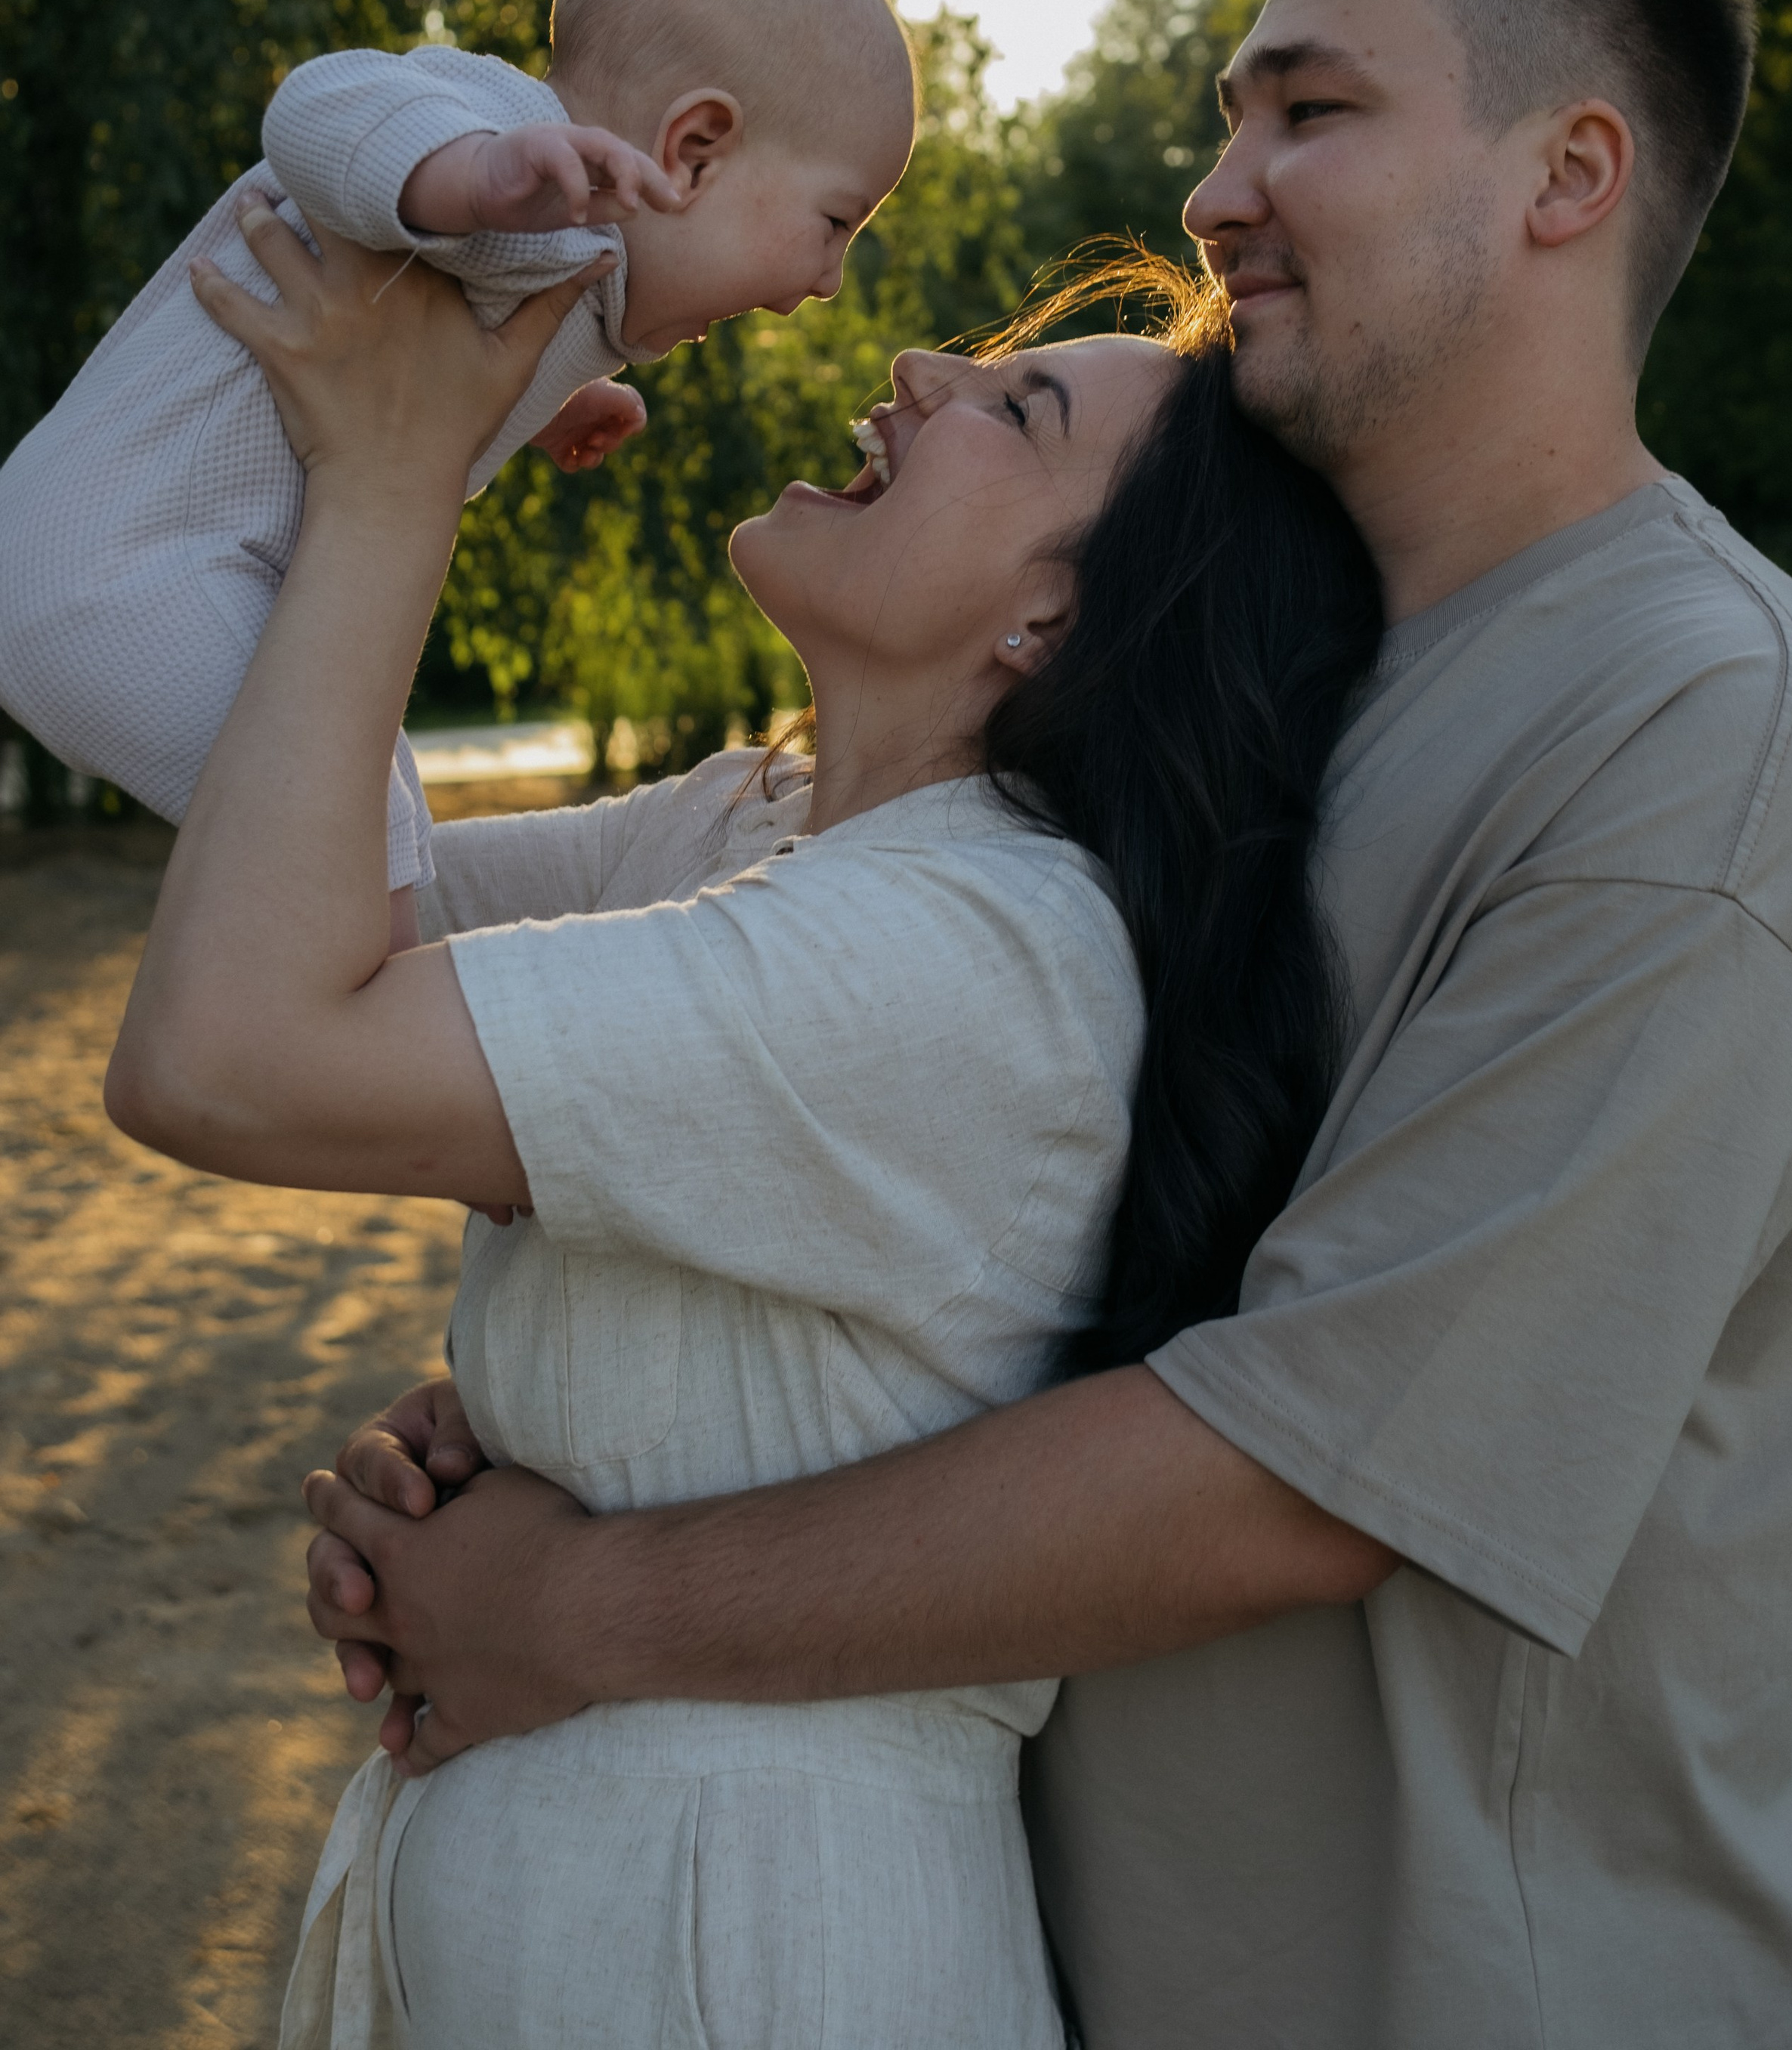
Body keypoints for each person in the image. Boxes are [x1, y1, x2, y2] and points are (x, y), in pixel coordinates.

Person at [301, 0, 1792, 2049]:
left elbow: (1302, 1471)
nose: (1213, 190)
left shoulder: (1705, 742)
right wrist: (605, 1408)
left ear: (1567, 173)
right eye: (1233, 112)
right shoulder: (1232, 693)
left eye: (1311, 111)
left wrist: (582, 1602)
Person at [102, 206, 1383, 2045]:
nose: (917, 371)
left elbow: (226, 1054)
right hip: (609, 1916)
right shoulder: (743, 829)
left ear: (1051, 619)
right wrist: (443, 430)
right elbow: (283, 887)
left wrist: (394, 486)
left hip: (759, 1953)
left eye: (1014, 410)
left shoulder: (977, 951)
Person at [0, 0, 914, 910]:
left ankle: (358, 989)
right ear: (692, 151)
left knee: (372, 821)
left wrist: (531, 410)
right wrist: (468, 172)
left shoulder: (568, 274)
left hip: (155, 563)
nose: (828, 282)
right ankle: (360, 1005)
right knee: (354, 829)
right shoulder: (515, 160)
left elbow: (401, 382)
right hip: (120, 569)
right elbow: (318, 103)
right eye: (835, 223)